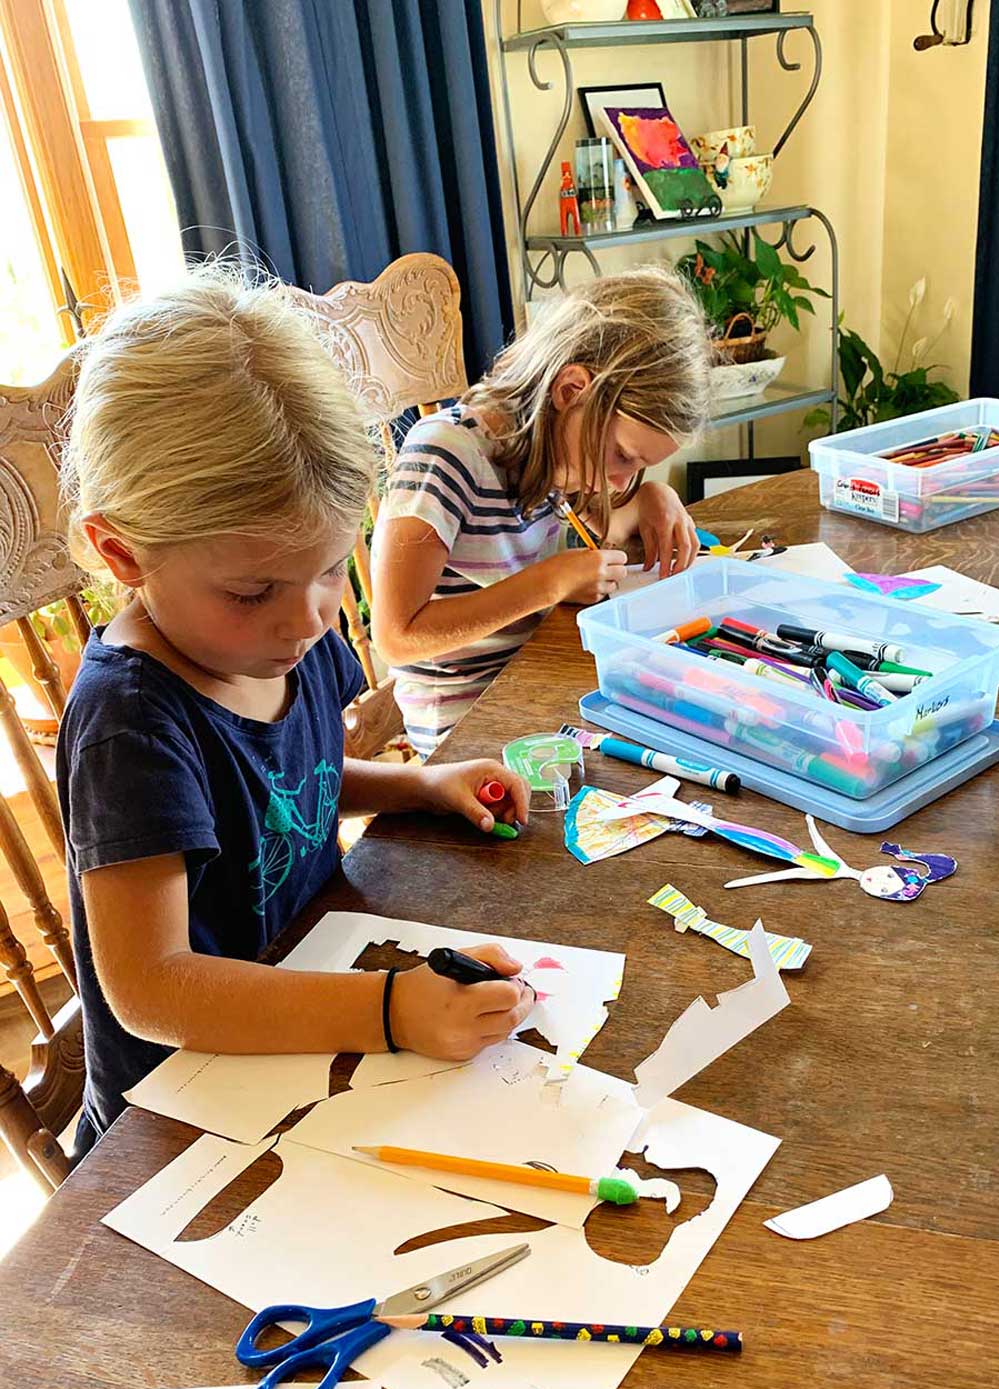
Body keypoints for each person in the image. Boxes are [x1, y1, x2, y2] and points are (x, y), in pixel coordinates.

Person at [58, 268, 535, 1155]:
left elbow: (289, 785)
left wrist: (419, 786)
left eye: (327, 569)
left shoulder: (283, 636)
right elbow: (152, 989)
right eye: (251, 591)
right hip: (178, 1119)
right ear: (121, 553)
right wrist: (390, 1010)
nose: (309, 617)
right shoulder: (131, 723)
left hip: (303, 1013)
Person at [370, 267, 711, 755]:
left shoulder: (557, 456)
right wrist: (549, 584)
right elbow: (396, 636)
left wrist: (654, 498)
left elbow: (608, 526)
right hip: (467, 731)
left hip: (541, 685)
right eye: (622, 456)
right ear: (571, 390)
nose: (620, 480)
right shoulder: (445, 454)